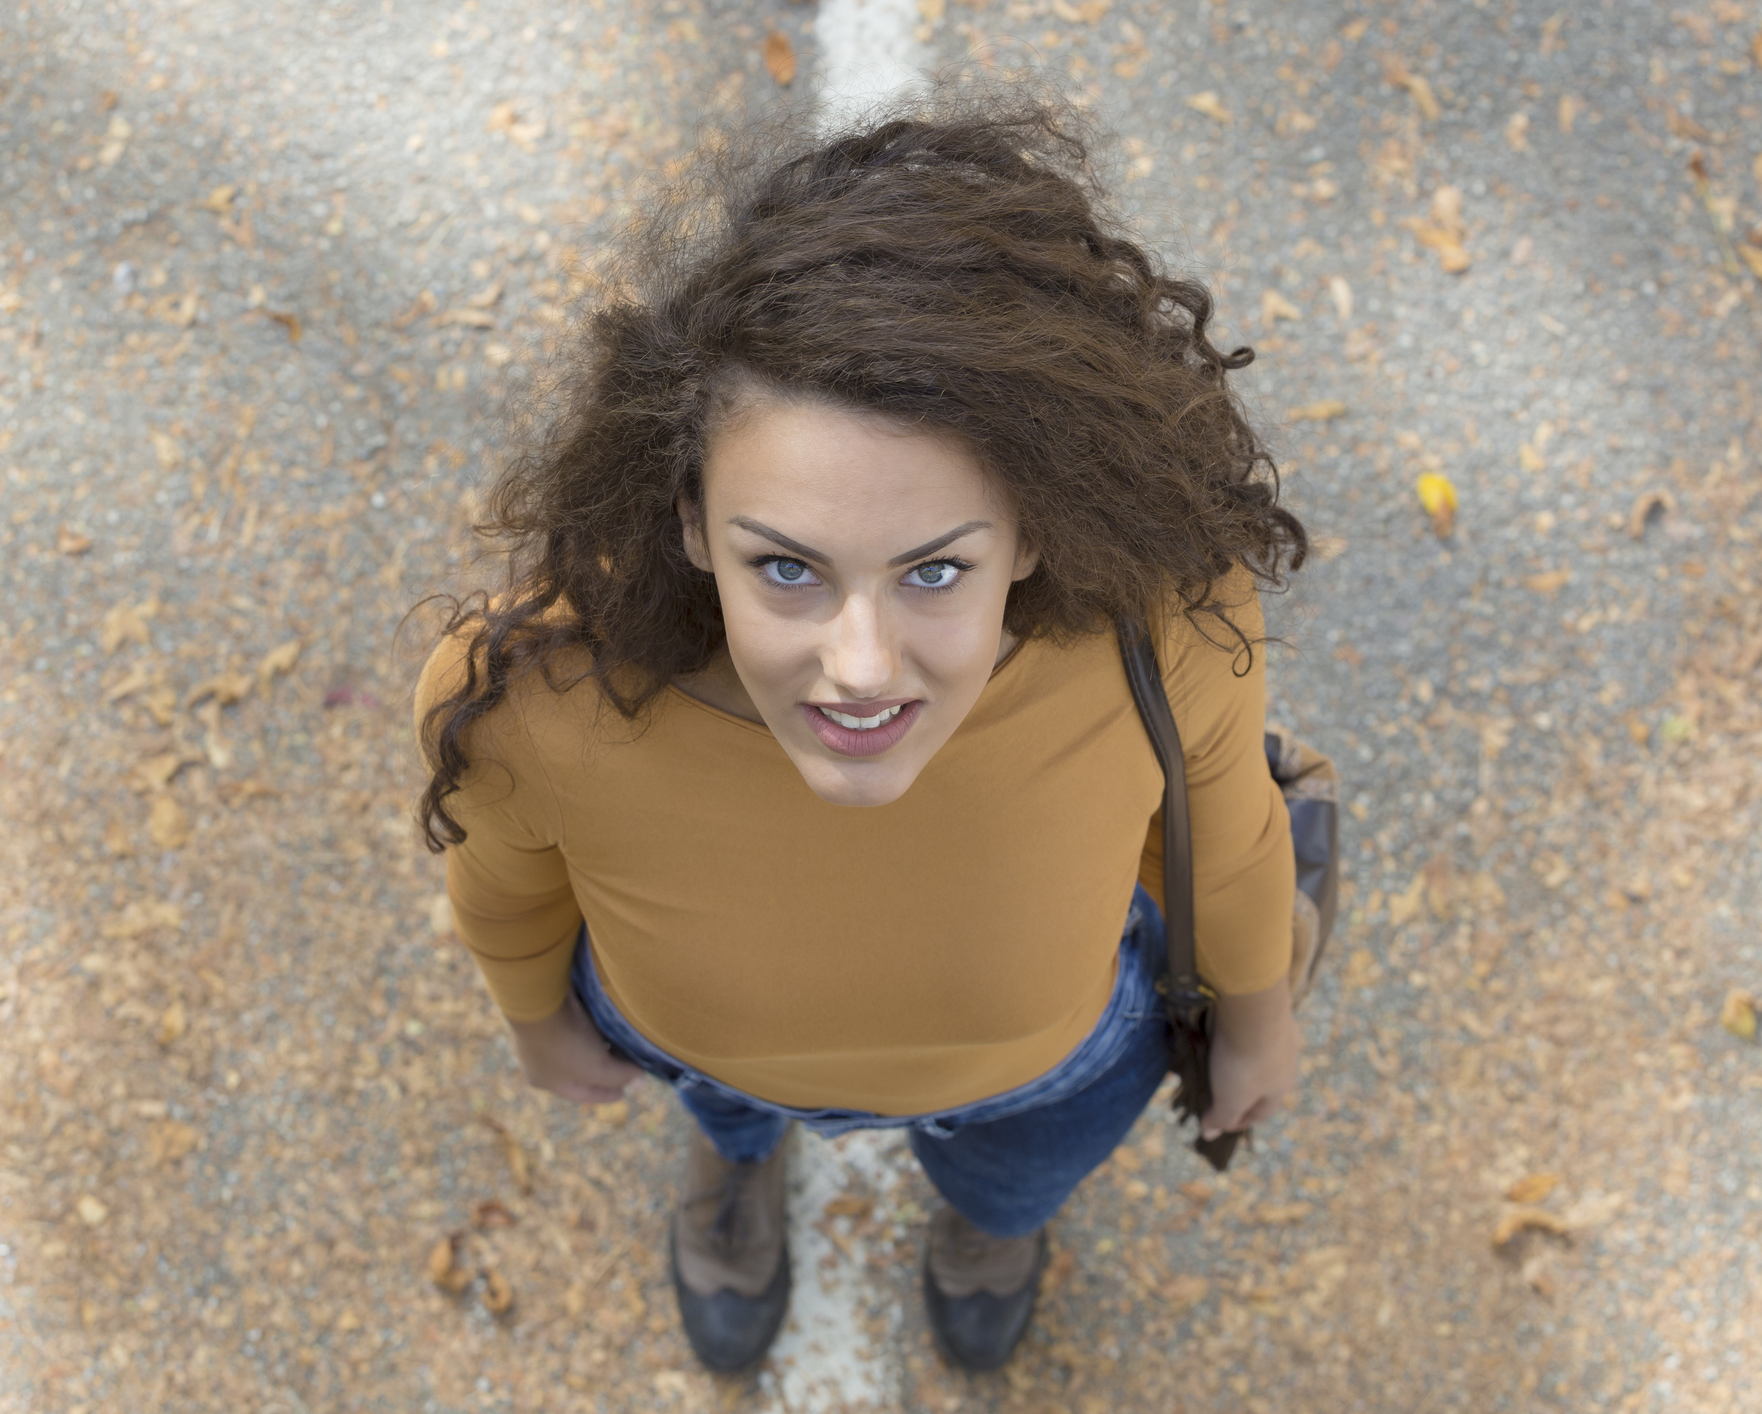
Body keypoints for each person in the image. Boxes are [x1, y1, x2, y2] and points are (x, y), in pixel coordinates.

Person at [412, 96, 1310, 1375]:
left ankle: (992, 1221)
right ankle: (734, 1160)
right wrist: (532, 1018)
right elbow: (501, 879)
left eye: (937, 572)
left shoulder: (1161, 631)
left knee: (1014, 1177)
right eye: (784, 567)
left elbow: (1224, 835)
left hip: (1051, 1068)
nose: (861, 667)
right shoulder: (531, 693)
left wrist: (1261, 1016)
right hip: (699, 1051)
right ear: (685, 522)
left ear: (1036, 531)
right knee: (725, 1110)